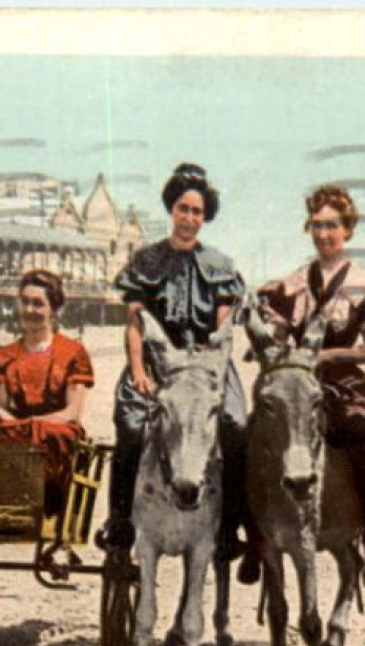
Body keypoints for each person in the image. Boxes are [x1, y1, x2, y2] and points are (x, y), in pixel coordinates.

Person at [102, 163, 254, 577]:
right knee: (131, 425)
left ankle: (229, 527)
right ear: (172, 209)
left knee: (236, 427)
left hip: (207, 367)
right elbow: (135, 323)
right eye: (183, 209)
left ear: (205, 217)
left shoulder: (220, 266)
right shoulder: (147, 261)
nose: (189, 219)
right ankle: (119, 522)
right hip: (157, 362)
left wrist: (210, 375)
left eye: (197, 212)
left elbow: (223, 331)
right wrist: (137, 370)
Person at [256, 184, 365, 586]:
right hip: (296, 382)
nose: (323, 234)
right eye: (316, 226)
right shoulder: (293, 282)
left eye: (331, 226)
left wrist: (328, 357)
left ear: (348, 231)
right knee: (255, 436)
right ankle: (254, 538)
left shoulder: (364, 285)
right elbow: (280, 339)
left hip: (343, 382)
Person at [0, 269, 95, 515]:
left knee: (52, 435)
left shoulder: (72, 352)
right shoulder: (4, 354)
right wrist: (19, 425)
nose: (30, 310)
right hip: (17, 425)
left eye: (38, 304)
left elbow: (72, 411)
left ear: (54, 309)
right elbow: (1, 407)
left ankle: (46, 500)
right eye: (25, 302)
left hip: (56, 426)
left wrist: (34, 424)